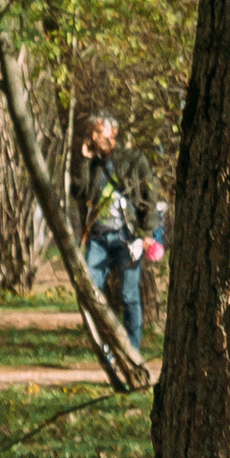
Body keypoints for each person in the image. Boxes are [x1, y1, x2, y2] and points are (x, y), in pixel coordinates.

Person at [72, 111, 158, 352]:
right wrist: (84, 161)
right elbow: (80, 193)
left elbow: (150, 196)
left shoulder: (133, 160)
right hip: (98, 239)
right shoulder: (92, 164)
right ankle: (106, 348)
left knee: (129, 295)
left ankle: (132, 350)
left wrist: (148, 232)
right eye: (92, 132)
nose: (94, 136)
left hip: (127, 238)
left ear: (114, 133)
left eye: (99, 131)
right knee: (92, 293)